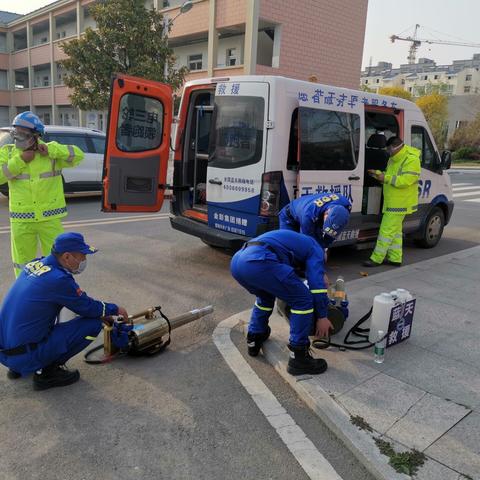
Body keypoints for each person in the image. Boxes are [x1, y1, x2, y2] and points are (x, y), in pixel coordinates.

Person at [0, 232, 128, 390]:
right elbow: (87, 307)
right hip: (24, 356)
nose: (83, 261)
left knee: (41, 314)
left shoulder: (35, 265)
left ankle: (18, 367)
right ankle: (46, 373)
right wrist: (115, 309)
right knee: (93, 323)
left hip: (6, 352)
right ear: (67, 257)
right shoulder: (58, 280)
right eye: (82, 256)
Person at [231, 230, 333, 376]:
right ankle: (299, 358)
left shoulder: (300, 242)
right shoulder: (316, 249)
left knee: (265, 297)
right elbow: (316, 287)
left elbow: (292, 269)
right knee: (303, 300)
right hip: (260, 261)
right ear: (325, 254)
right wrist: (322, 316)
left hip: (238, 262)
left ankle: (254, 338)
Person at [0, 112, 84, 277]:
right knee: (23, 263)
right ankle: (25, 293)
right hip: (21, 220)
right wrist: (20, 160)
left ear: (35, 135)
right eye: (15, 133)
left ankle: (54, 292)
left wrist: (52, 150)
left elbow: (78, 155)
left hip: (49, 220)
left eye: (22, 134)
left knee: (56, 261)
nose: (17, 138)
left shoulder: (50, 153)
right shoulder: (8, 152)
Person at [363, 136, 421, 267]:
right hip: (393, 201)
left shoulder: (411, 159)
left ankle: (376, 259)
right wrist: (378, 174)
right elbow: (390, 174)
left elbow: (406, 180)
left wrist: (385, 178)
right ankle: (395, 258)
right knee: (395, 233)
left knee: (386, 231)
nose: (387, 152)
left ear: (396, 147)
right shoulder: (393, 159)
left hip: (400, 203)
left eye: (389, 149)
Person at [278, 192, 352, 249]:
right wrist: (320, 251)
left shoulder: (345, 204)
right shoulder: (309, 214)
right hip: (288, 216)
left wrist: (325, 247)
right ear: (326, 214)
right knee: (290, 247)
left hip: (310, 213)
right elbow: (309, 243)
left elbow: (331, 234)